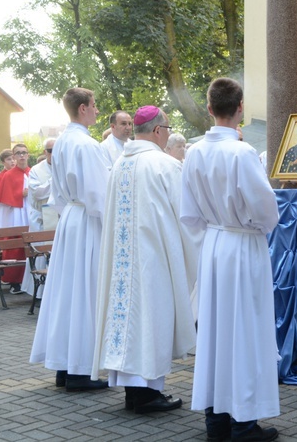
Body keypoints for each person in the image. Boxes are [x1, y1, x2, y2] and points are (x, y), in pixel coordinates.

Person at [181, 78, 280, 442]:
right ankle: (244, 423)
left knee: (216, 333)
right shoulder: (241, 153)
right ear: (240, 107)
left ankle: (216, 420)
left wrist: (211, 237)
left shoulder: (193, 152)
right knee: (246, 332)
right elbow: (266, 210)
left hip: (214, 245)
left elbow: (188, 214)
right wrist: (257, 227)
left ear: (209, 109)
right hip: (242, 246)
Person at [92, 106, 198, 414]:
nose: (167, 134)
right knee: (151, 320)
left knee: (128, 322)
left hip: (123, 264)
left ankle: (135, 392)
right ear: (157, 131)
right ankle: (147, 394)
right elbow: (186, 218)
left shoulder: (119, 165)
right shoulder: (164, 164)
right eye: (166, 128)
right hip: (154, 260)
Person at [29, 87, 111, 392]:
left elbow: (57, 195)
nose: (98, 111)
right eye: (94, 105)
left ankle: (65, 366)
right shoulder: (87, 145)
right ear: (82, 109)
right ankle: (79, 370)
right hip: (88, 221)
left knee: (68, 294)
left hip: (70, 221)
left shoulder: (62, 142)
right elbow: (99, 195)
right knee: (85, 294)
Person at [0, 144, 32, 294]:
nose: (22, 156)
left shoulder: (33, 172)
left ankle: (30, 279)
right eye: (18, 153)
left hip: (31, 213)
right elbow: (3, 198)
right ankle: (15, 280)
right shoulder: (8, 175)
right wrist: (19, 194)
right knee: (16, 247)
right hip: (16, 214)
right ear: (14, 156)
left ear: (28, 155)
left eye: (24, 153)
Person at [20, 138, 57, 297]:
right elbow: (37, 192)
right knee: (41, 255)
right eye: (50, 151)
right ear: (44, 152)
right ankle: (40, 293)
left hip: (60, 218)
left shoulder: (67, 167)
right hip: (42, 217)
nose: (54, 154)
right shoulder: (36, 170)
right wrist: (54, 179)